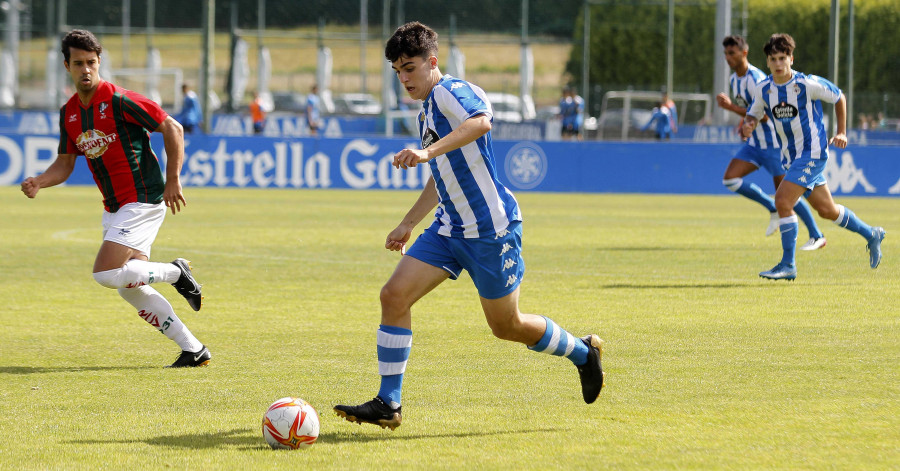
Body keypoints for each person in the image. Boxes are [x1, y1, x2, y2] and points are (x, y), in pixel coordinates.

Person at [333, 21, 604, 430]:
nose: (404, 78)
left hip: (489, 230)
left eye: (409, 68)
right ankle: (389, 403)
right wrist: (408, 223)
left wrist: (427, 151)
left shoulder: (451, 91)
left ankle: (583, 353)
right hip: (448, 228)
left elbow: (480, 123)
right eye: (397, 72)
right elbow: (442, 174)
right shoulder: (428, 108)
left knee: (506, 326)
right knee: (393, 296)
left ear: (432, 62)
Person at [20, 29, 210, 367]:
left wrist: (173, 179)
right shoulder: (69, 114)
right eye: (78, 63)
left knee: (105, 274)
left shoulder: (120, 99)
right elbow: (65, 164)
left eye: (91, 62)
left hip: (142, 199)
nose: (86, 70)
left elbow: (173, 128)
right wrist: (40, 181)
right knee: (129, 284)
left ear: (99, 62)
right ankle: (193, 349)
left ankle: (176, 273)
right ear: (67, 66)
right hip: (114, 208)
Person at [742, 33, 885, 280]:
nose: (778, 63)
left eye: (783, 58)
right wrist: (749, 123)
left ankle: (788, 265)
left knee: (783, 201)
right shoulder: (764, 89)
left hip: (813, 153)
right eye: (773, 58)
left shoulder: (806, 84)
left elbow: (839, 96)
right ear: (767, 62)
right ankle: (871, 234)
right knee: (827, 210)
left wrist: (841, 131)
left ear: (791, 59)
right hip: (792, 158)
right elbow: (754, 113)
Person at [717, 35, 825, 249]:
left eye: (732, 53)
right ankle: (771, 207)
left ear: (744, 53)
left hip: (775, 146)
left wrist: (731, 108)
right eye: (726, 54)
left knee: (786, 195)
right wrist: (744, 125)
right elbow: (751, 112)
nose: (728, 58)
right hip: (755, 145)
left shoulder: (756, 78)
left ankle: (816, 234)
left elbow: (767, 115)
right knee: (730, 179)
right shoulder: (733, 80)